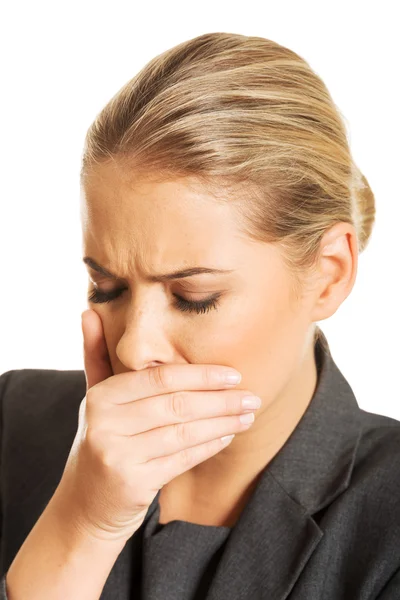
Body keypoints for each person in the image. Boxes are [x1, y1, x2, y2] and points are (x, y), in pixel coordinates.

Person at [1, 31, 399, 599]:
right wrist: (81, 527)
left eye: (193, 296)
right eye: (106, 287)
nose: (135, 349)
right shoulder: (13, 424)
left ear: (329, 273)